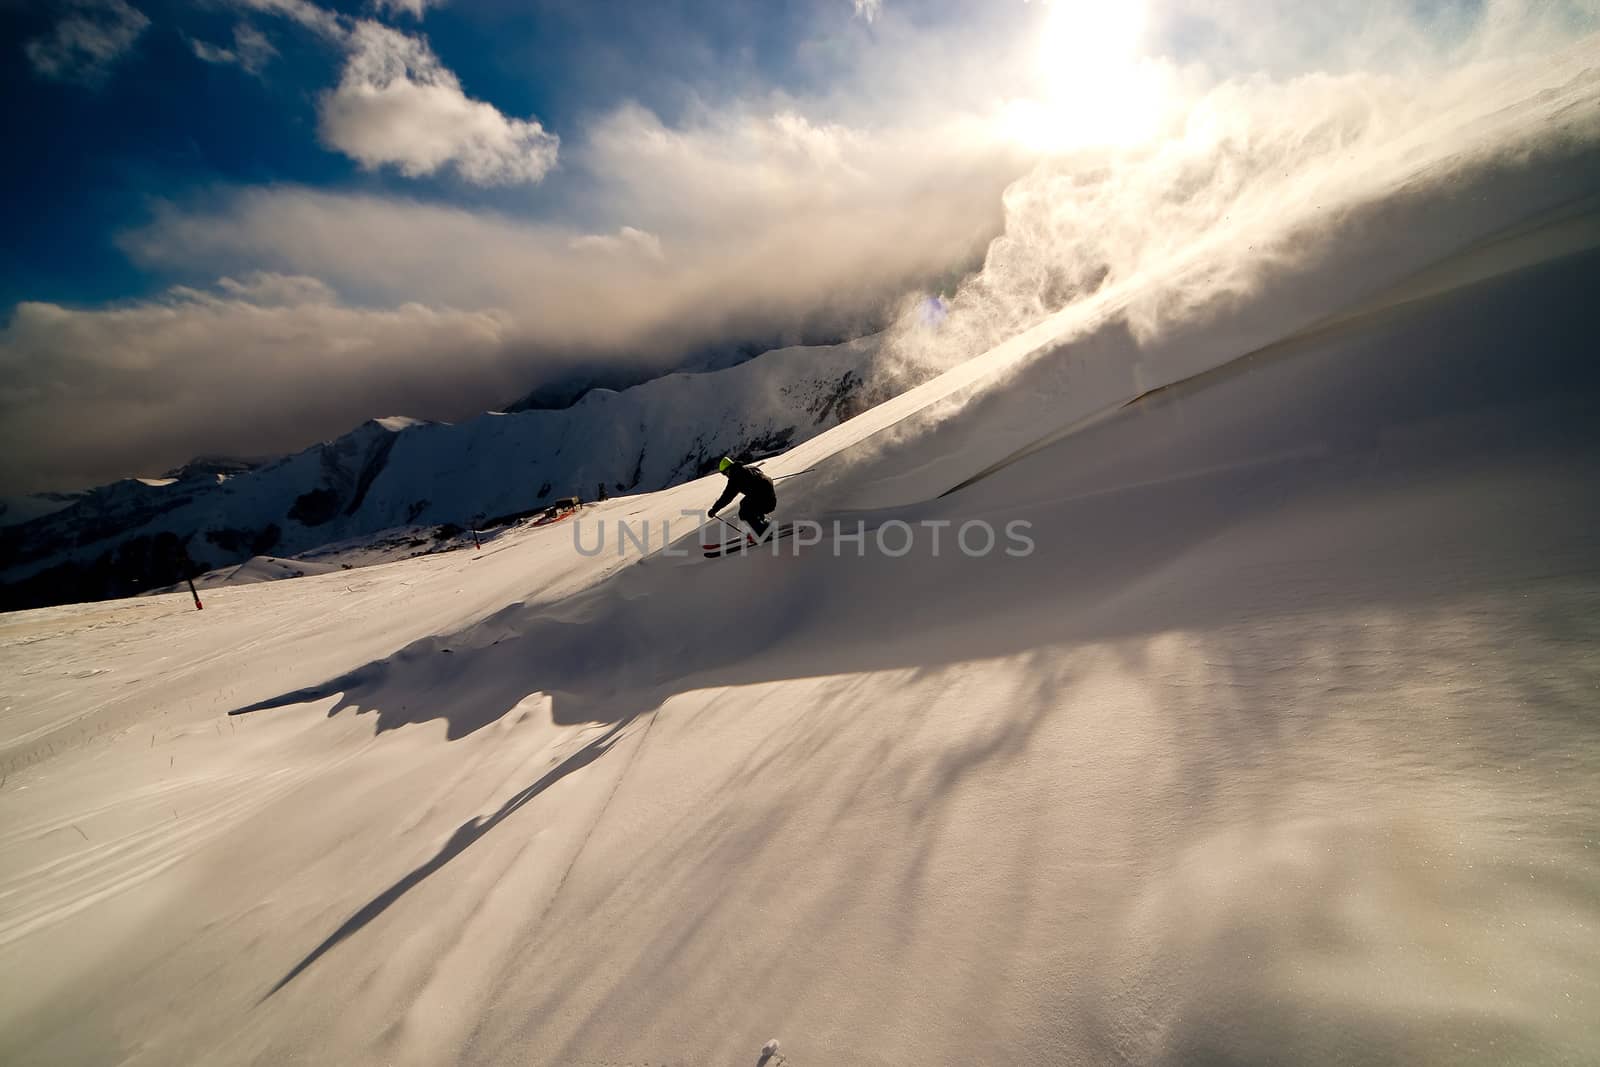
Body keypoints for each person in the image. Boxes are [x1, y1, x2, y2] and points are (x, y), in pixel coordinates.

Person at [709, 456, 776, 537]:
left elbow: (726, 497)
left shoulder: (735, 478)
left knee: (744, 512)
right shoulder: (750, 468)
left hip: (763, 500)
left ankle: (762, 533)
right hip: (771, 499)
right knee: (748, 505)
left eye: (725, 473)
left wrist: (714, 510)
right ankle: (764, 526)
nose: (726, 475)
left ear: (728, 469)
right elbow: (763, 478)